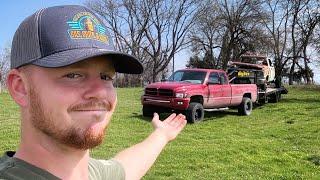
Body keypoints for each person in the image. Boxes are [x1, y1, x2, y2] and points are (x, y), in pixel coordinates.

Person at [0, 5, 187, 180]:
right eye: (73, 75)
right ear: (20, 87)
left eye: (106, 77)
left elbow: (125, 167)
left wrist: (161, 135)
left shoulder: (93, 173)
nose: (100, 92)